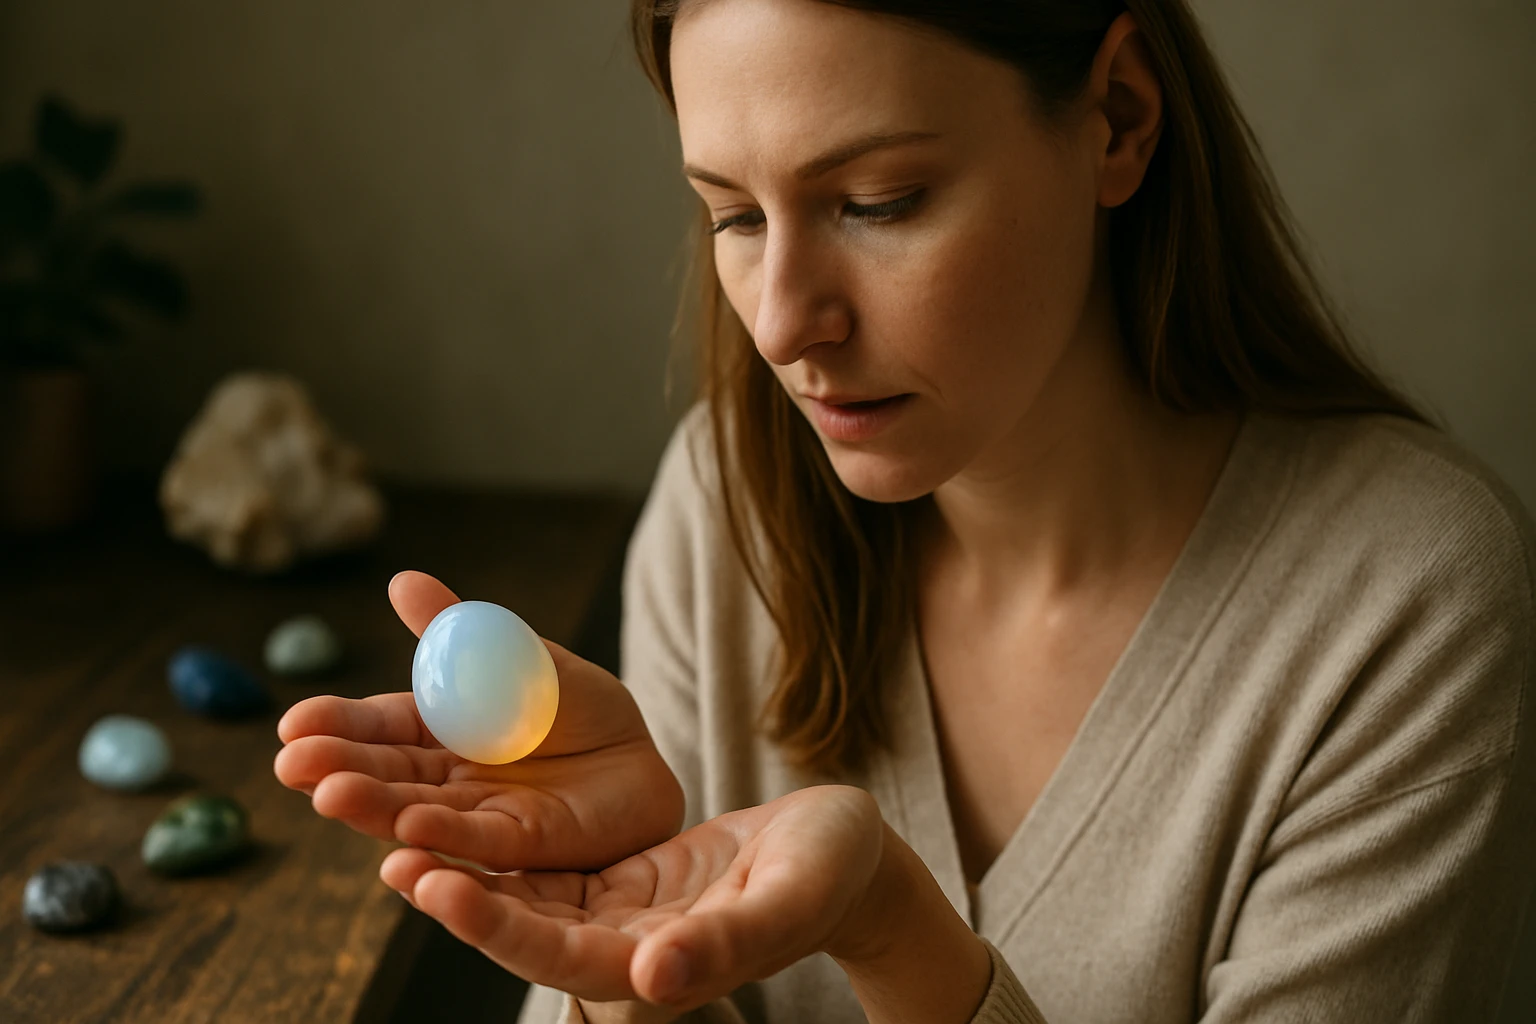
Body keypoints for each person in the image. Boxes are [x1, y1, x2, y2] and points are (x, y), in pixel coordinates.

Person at [272, 1, 1536, 1021]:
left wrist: (892, 930)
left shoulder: (1408, 599)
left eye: (876, 202)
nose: (778, 322)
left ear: (1118, 118)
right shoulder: (728, 510)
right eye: (732, 215)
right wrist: (625, 947)